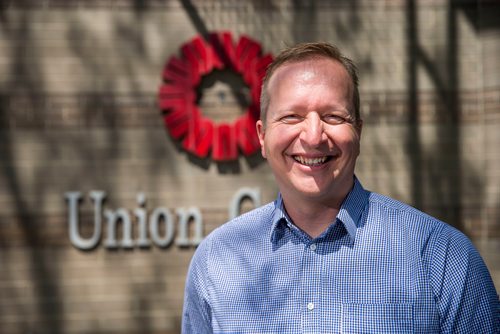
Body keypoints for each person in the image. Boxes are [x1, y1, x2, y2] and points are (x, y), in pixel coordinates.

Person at [182, 42, 499, 333]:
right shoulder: (216, 260)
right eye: (292, 116)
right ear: (263, 137)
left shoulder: (442, 256)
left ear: (358, 132)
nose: (313, 136)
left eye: (333, 116)